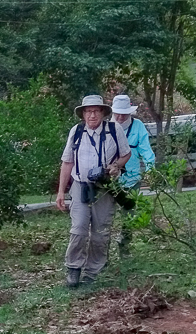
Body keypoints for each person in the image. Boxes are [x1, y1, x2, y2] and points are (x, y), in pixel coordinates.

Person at [55, 94, 130, 289]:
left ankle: (94, 271)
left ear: (103, 113)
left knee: (100, 232)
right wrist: (61, 192)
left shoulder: (115, 130)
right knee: (78, 229)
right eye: (88, 111)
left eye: (96, 111)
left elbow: (126, 154)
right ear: (83, 114)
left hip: (105, 187)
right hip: (80, 185)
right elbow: (67, 161)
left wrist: (116, 166)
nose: (92, 115)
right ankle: (73, 268)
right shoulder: (77, 131)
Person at [111, 94, 156, 255]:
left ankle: (124, 247)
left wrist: (151, 170)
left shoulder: (138, 127)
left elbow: (146, 151)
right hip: (110, 182)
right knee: (106, 217)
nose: (121, 117)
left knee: (128, 217)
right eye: (118, 113)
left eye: (124, 113)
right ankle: (102, 253)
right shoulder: (106, 127)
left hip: (132, 181)